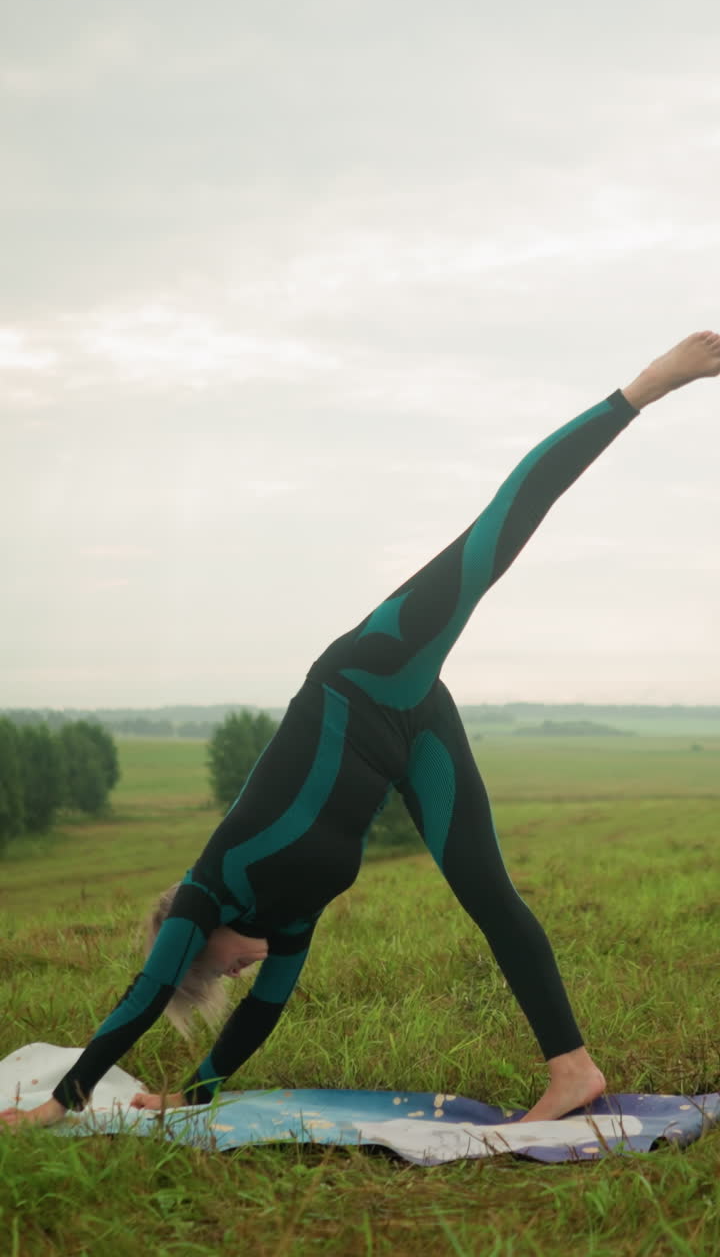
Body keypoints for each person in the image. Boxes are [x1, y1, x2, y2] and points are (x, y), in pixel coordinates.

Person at [3, 331, 719, 1132]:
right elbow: (260, 1018)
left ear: (194, 941)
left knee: (493, 539)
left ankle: (648, 386)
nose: (233, 976)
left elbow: (141, 998)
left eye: (213, 973)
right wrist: (191, 1096)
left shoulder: (209, 888)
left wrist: (59, 1105)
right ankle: (574, 1070)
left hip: (366, 672)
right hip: (410, 731)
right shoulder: (288, 922)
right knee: (490, 895)